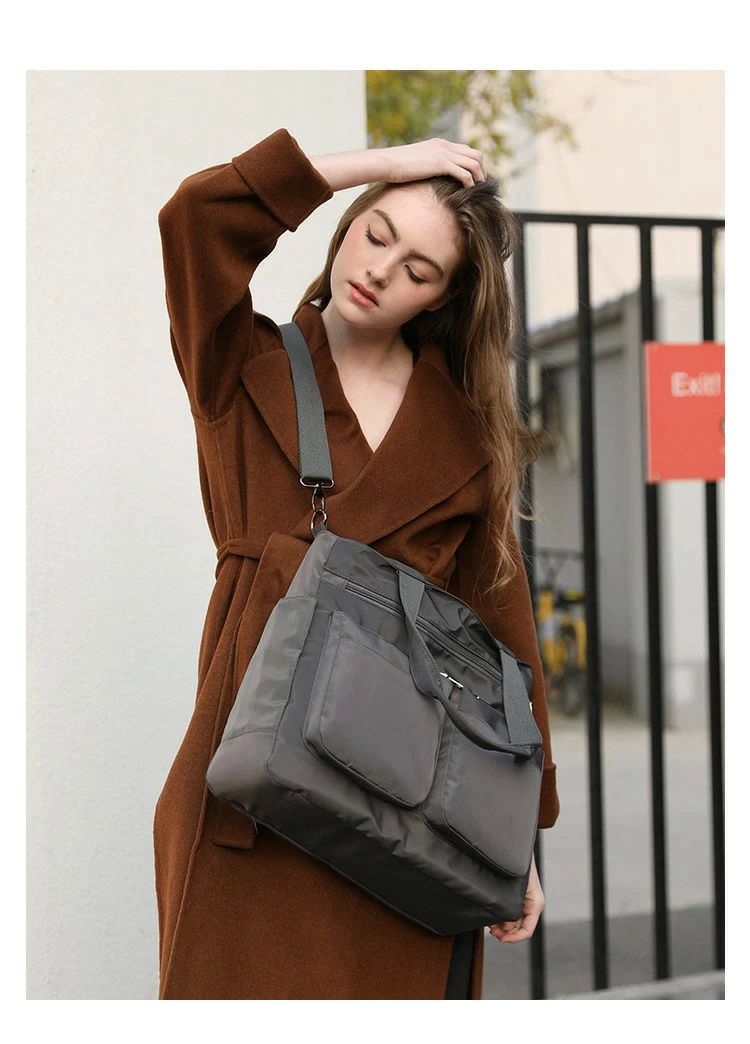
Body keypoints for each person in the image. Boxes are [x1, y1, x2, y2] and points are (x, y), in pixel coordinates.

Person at [154, 127, 560, 1000]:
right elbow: (196, 217)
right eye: (378, 233)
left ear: (443, 299)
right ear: (350, 220)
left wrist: (517, 834)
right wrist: (383, 164)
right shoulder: (243, 364)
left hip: (406, 816)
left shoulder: (462, 435)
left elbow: (503, 638)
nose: (380, 270)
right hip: (252, 796)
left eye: (419, 269)